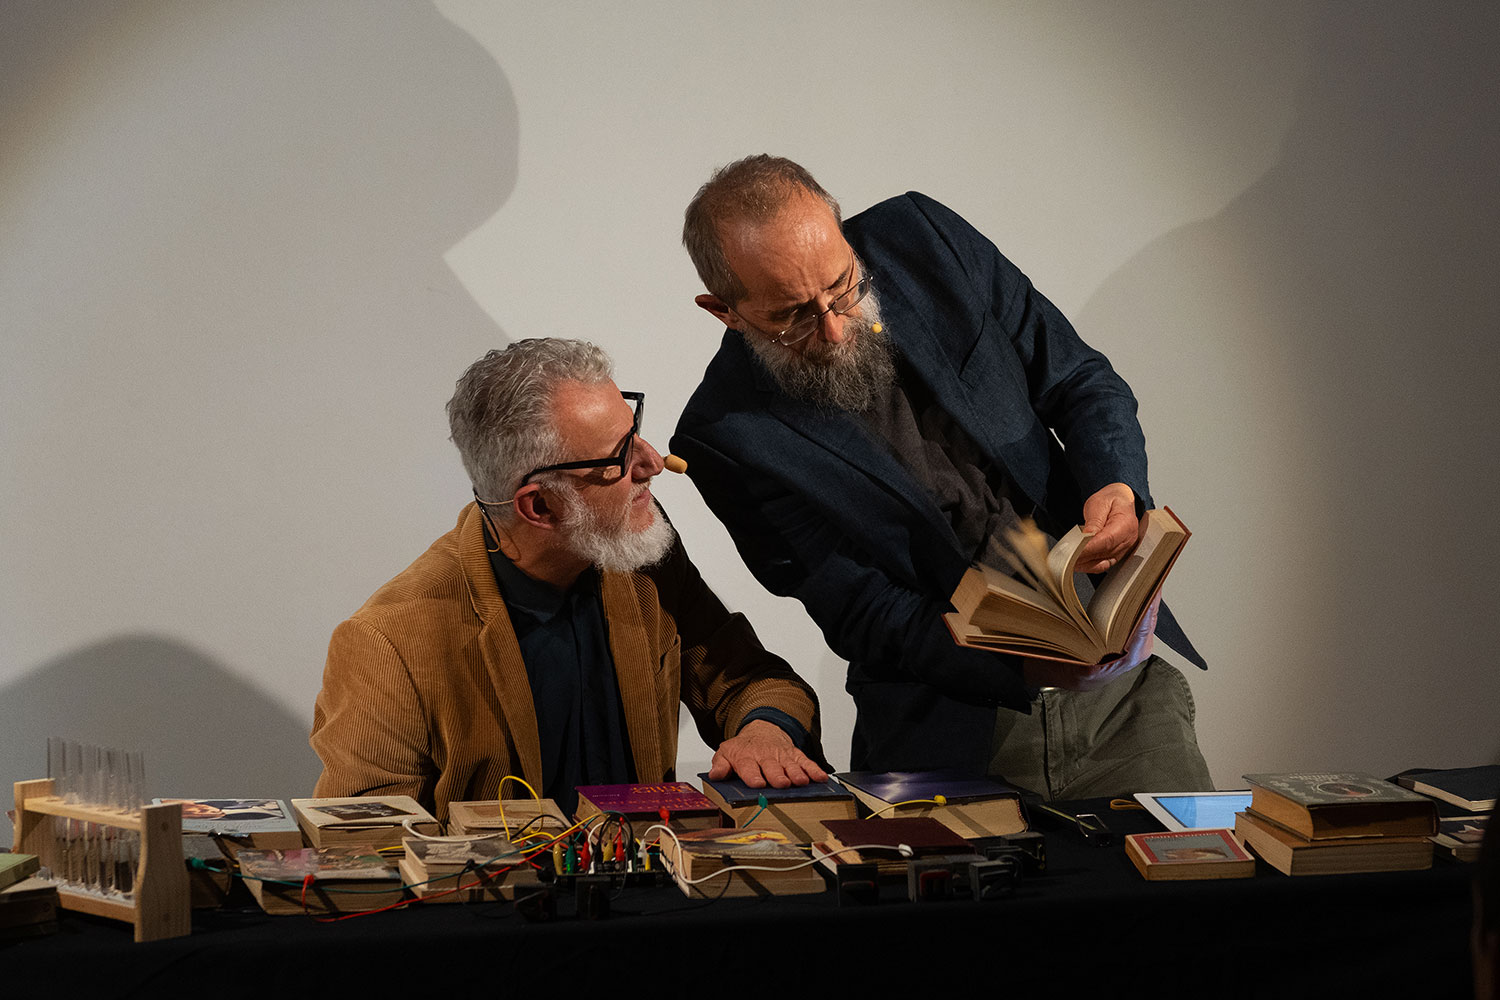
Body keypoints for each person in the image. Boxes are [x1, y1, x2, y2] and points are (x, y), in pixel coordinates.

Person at [671, 155, 1211, 799]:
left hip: (1125, 700)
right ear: (725, 311)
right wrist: (1015, 663)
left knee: (1195, 862)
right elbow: (864, 611)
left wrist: (1115, 487)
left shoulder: (925, 240)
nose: (836, 328)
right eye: (793, 316)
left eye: (843, 285)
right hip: (950, 728)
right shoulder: (726, 436)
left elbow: (1079, 380)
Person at [311, 339, 826, 819]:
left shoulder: (640, 558)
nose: (653, 462)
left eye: (635, 430)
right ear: (539, 506)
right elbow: (365, 843)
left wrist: (764, 731)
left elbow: (749, 679)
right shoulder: (387, 643)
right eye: (619, 455)